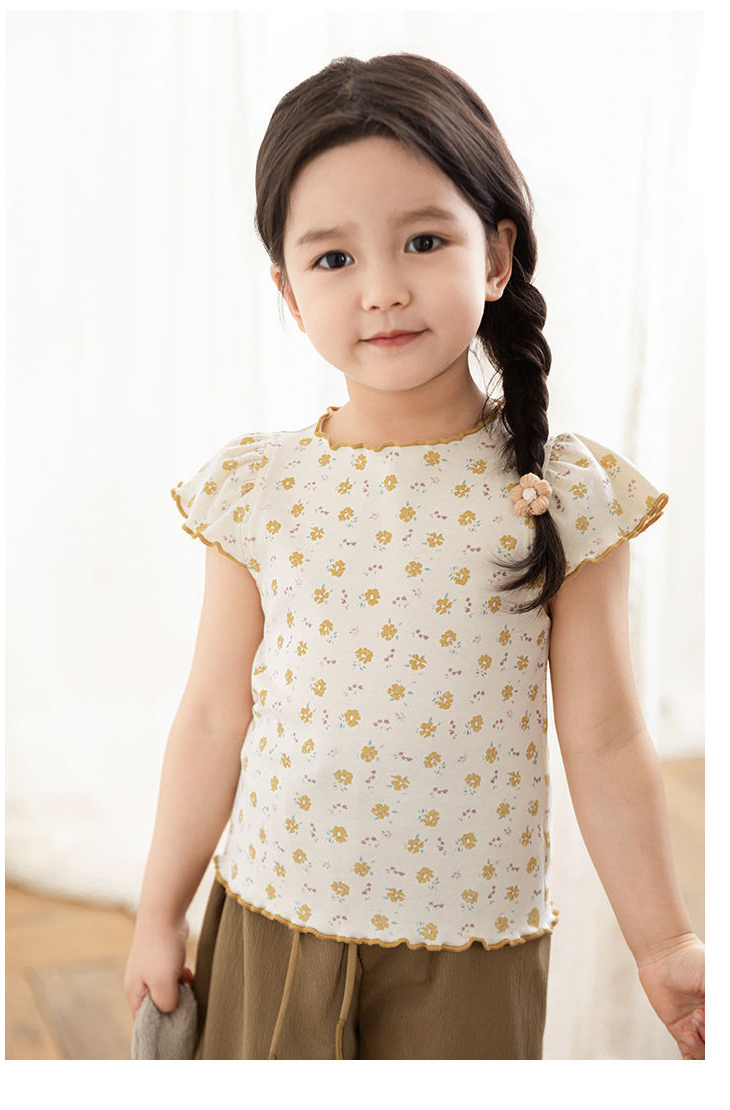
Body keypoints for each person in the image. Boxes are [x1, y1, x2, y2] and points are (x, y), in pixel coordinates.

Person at [123, 52, 705, 1060]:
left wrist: (666, 945)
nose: (383, 290)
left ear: (496, 256)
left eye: (424, 241)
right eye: (334, 259)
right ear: (288, 291)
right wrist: (157, 910)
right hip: (271, 917)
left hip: (470, 948)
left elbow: (606, 737)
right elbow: (214, 715)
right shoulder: (259, 488)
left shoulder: (563, 494)